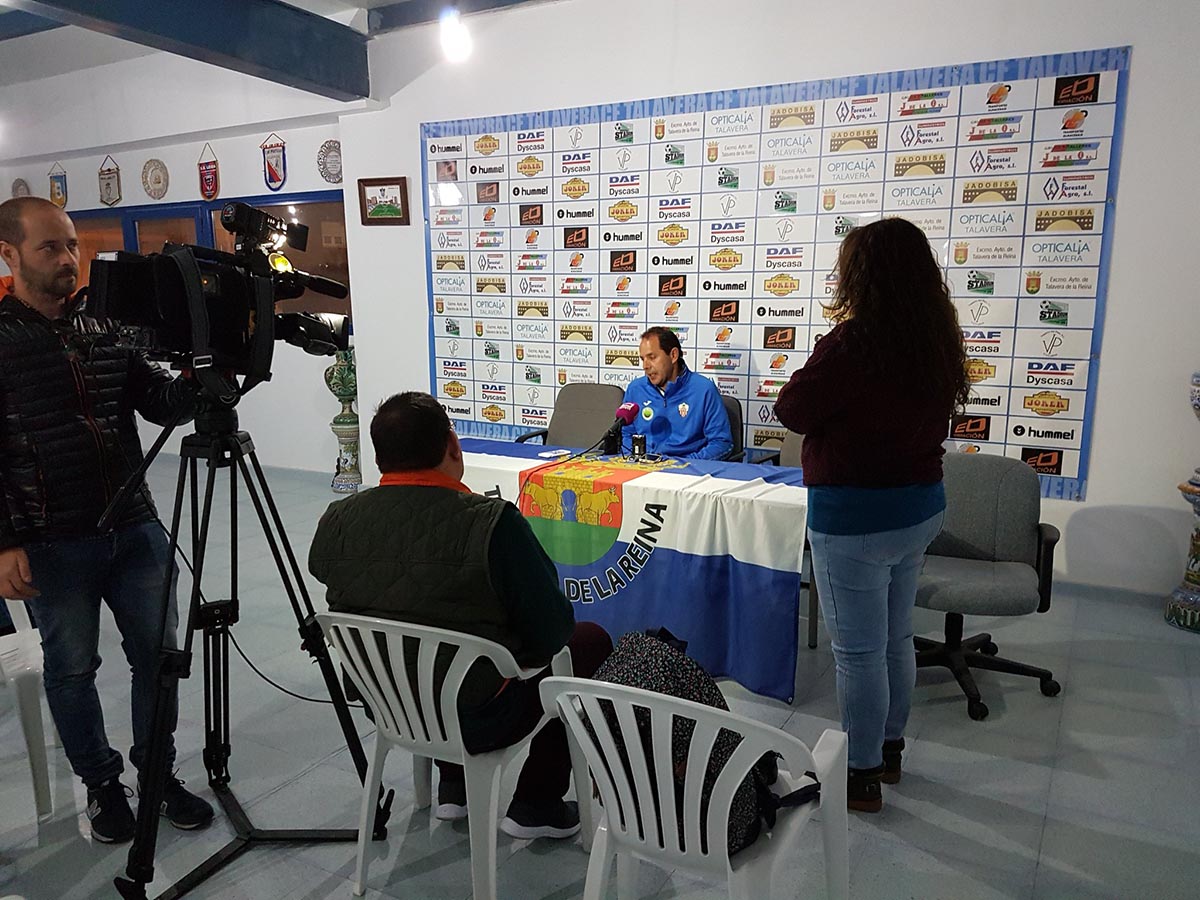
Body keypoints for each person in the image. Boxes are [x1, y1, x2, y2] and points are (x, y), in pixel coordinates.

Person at [0, 197, 213, 841]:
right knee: (72, 669)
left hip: (136, 523)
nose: (68, 259)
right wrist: (4, 540)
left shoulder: (106, 327)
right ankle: (100, 784)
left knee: (160, 656)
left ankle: (158, 774)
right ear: (9, 254)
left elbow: (159, 404)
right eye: (50, 248)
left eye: (71, 245)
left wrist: (212, 373)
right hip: (51, 538)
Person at [308, 391, 612, 839]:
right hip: (479, 715)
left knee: (430, 633)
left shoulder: (336, 518)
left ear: (379, 456)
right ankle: (537, 803)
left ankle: (453, 785)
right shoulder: (493, 523)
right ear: (454, 445)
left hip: (387, 703)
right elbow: (552, 630)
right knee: (587, 640)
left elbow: (327, 573)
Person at [773, 217, 969, 813]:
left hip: (855, 516)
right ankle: (888, 754)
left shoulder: (853, 342)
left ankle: (857, 777)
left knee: (858, 652)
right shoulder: (938, 336)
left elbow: (793, 408)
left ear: (863, 275)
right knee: (894, 637)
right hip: (918, 509)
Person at [621, 326, 733, 459]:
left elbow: (721, 443)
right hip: (643, 469)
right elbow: (626, 435)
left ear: (673, 355)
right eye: (642, 359)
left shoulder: (704, 390)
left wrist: (685, 464)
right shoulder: (635, 389)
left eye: (652, 357)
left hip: (686, 472)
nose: (645, 366)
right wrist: (635, 459)